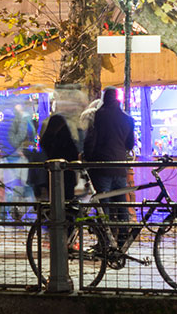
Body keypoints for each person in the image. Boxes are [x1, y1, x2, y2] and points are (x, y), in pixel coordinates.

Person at [83, 88, 135, 229]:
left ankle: (105, 243)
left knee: (103, 207)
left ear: (104, 98)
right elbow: (130, 144)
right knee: (121, 205)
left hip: (101, 168)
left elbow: (90, 141)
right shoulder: (128, 119)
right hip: (119, 168)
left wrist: (87, 159)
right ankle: (122, 240)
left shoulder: (97, 116)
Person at [0, 103, 34, 221]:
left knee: (9, 187)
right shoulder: (15, 122)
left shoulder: (0, 124)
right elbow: (16, 139)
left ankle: (9, 214)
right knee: (21, 185)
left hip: (5, 157)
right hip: (15, 156)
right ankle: (26, 212)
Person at [39, 113, 79, 202]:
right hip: (67, 174)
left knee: (54, 200)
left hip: (51, 174)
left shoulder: (47, 139)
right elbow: (74, 154)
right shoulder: (67, 139)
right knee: (68, 201)